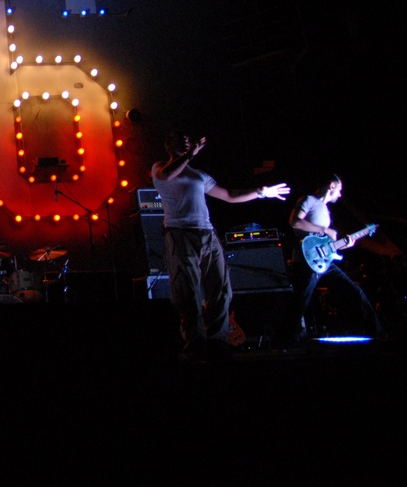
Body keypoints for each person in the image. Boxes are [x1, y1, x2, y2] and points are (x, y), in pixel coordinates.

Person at [152, 131, 290, 361]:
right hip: (180, 233)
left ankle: (217, 340)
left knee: (220, 286)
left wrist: (261, 192)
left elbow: (228, 195)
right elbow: (167, 175)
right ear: (168, 145)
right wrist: (189, 154)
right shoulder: (160, 168)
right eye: (180, 138)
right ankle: (195, 342)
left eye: (188, 138)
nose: (186, 140)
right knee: (188, 290)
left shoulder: (199, 175)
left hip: (207, 232)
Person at [283, 174, 382, 343]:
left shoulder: (325, 209)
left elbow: (326, 243)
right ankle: (285, 341)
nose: (340, 194)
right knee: (300, 302)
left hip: (325, 262)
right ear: (331, 186)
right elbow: (295, 222)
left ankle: (378, 334)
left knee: (355, 292)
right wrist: (324, 229)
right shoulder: (308, 200)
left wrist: (346, 244)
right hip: (306, 260)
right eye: (340, 190)